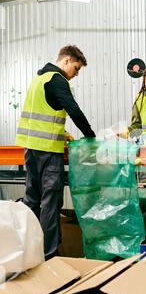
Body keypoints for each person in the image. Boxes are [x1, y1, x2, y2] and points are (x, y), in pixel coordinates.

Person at [16, 45, 96, 259]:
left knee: (32, 200)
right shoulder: (57, 80)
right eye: (77, 68)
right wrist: (91, 137)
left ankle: (29, 253)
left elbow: (44, 113)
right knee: (51, 203)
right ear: (67, 60)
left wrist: (62, 132)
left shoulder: (38, 79)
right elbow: (74, 110)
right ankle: (49, 257)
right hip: (48, 153)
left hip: (30, 149)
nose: (76, 74)